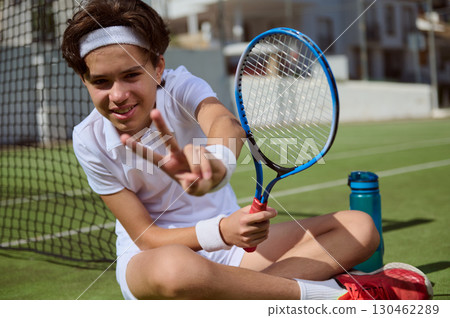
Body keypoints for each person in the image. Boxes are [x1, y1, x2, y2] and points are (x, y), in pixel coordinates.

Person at [61, 0, 432, 300]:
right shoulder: (88, 139)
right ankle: (334, 298)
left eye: (131, 75)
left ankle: (242, 294)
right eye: (101, 82)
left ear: (158, 67)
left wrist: (217, 165)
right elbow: (147, 238)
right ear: (85, 81)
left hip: (236, 253)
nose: (119, 94)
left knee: (359, 228)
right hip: (155, 260)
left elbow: (224, 123)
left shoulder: (181, 85)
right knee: (176, 268)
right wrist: (220, 230)